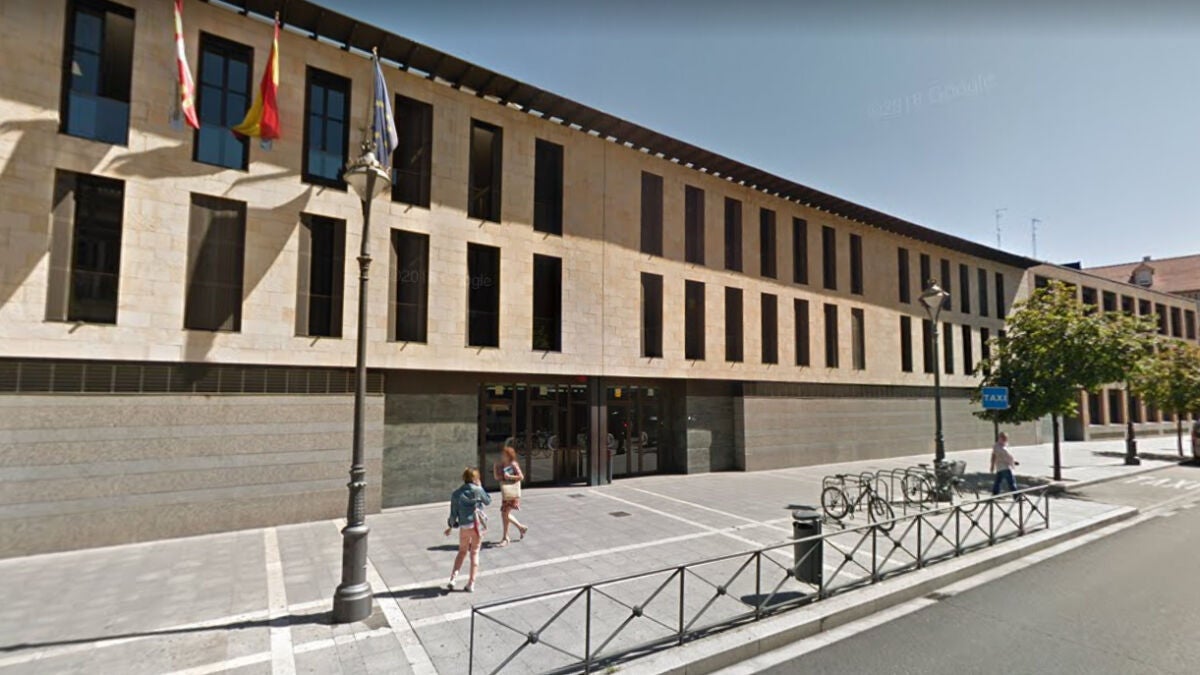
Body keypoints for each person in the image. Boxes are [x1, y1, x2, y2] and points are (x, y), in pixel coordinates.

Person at [444, 467, 491, 592]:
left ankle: (453, 578)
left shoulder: (456, 494)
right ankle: (471, 583)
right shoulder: (478, 490)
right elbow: (488, 501)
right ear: (475, 478)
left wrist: (451, 525)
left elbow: (453, 513)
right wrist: (481, 487)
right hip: (476, 526)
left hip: (464, 526)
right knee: (474, 553)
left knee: (462, 552)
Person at [493, 445, 529, 546]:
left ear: (509, 455)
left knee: (504, 514)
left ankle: (506, 537)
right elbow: (497, 478)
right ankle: (520, 528)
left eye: (504, 454)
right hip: (506, 492)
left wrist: (510, 476)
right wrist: (495, 468)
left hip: (512, 492)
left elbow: (521, 476)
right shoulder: (502, 465)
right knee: (504, 514)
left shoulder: (513, 464)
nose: (502, 456)